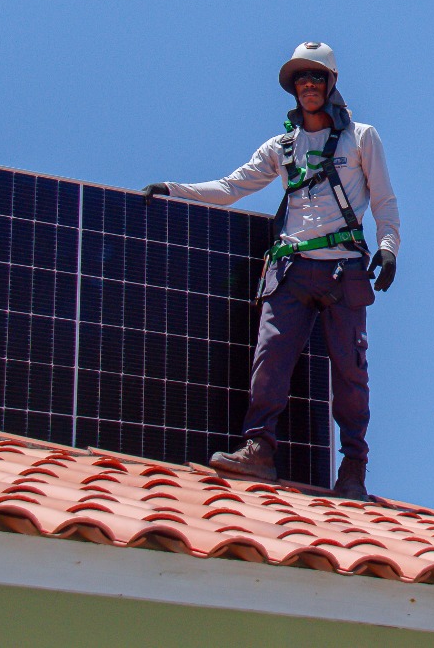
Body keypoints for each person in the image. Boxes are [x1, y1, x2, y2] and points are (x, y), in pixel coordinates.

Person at [142, 42, 399, 501]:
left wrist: (388, 247)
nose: (308, 85)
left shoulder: (362, 138)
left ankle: (353, 468)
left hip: (343, 270)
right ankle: (258, 449)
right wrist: (173, 190)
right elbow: (230, 187)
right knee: (270, 358)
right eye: (300, 79)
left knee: (350, 372)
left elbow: (384, 200)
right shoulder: (281, 147)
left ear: (330, 83)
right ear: (293, 88)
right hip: (291, 268)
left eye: (316, 77)